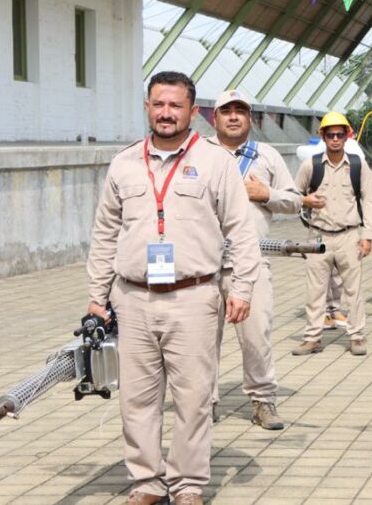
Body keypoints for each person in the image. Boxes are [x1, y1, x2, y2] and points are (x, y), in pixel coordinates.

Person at [87, 71, 260, 505]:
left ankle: (187, 484)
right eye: (159, 104)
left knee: (193, 397)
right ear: (147, 107)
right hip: (133, 298)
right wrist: (97, 295)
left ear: (192, 111)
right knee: (137, 399)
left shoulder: (216, 162)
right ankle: (147, 481)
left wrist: (242, 287)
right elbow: (104, 233)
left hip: (194, 296)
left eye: (175, 105)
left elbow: (241, 230)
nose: (166, 113)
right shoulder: (124, 163)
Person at [206, 89, 300, 431]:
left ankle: (263, 401)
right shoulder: (199, 153)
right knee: (201, 341)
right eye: (226, 111)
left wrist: (267, 194)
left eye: (240, 111)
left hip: (251, 263)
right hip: (202, 266)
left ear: (250, 118)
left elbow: (295, 201)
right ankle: (204, 404)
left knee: (256, 336)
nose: (233, 116)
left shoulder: (267, 156)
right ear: (214, 118)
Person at [293, 112, 372, 357]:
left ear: (347, 136)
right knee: (315, 291)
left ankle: (357, 336)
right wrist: (305, 200)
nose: (336, 139)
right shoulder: (311, 165)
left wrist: (367, 235)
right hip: (318, 237)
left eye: (340, 134)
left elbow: (368, 199)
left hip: (349, 236)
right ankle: (312, 338)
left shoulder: (358, 165)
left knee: (353, 290)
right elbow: (293, 195)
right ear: (323, 136)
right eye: (331, 135)